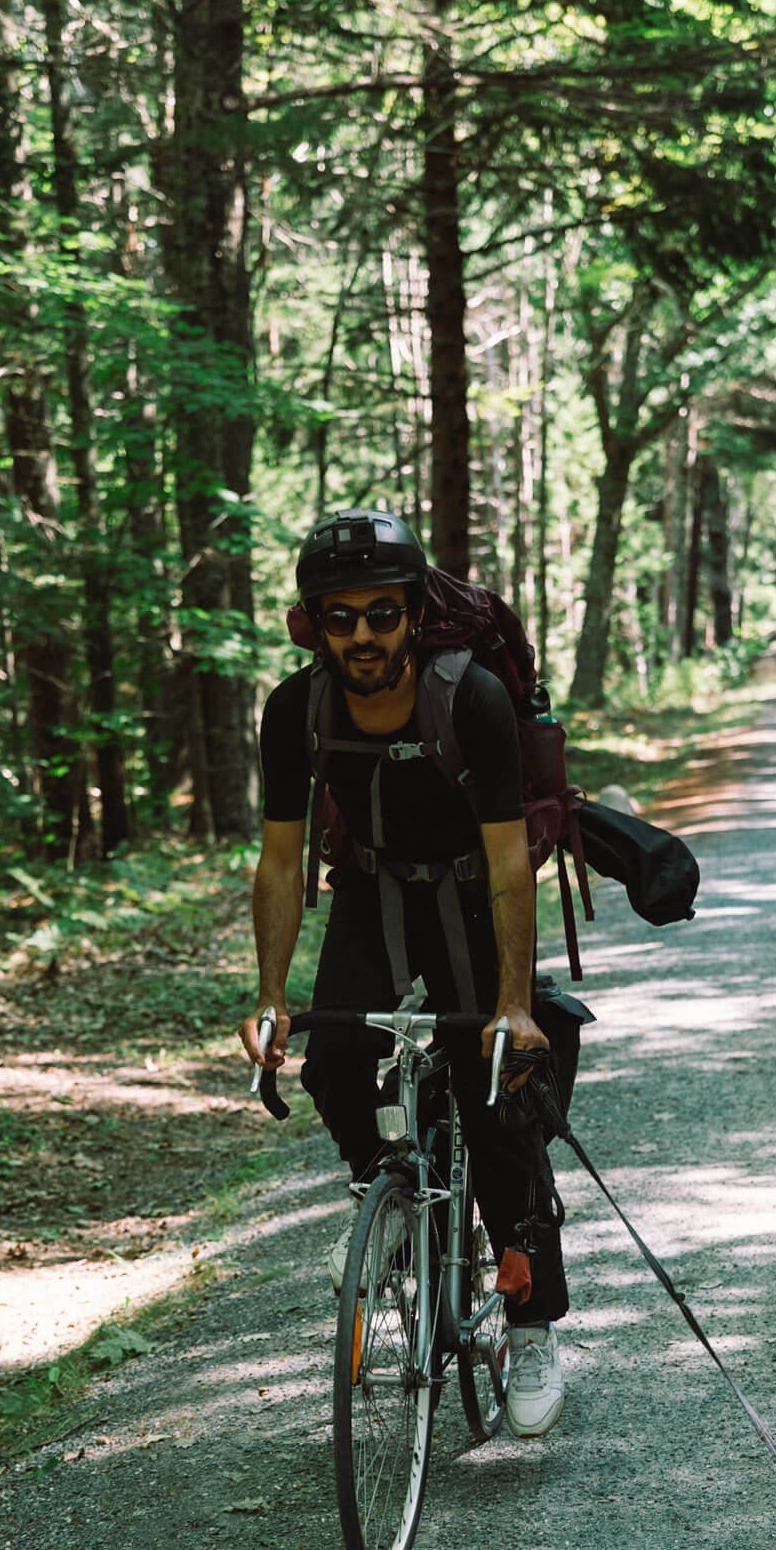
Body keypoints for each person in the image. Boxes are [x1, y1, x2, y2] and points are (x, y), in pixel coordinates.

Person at [237, 508, 569, 1437]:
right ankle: (397, 1195)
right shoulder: (292, 709)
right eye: (339, 619)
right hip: (372, 893)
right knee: (335, 1064)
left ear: (413, 613)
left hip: (471, 895)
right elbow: (278, 861)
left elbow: (508, 860)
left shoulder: (472, 701)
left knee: (496, 1090)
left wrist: (513, 1006)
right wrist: (271, 996)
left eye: (381, 614)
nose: (362, 637)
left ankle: (532, 1321)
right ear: (314, 625)